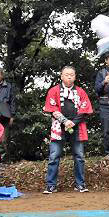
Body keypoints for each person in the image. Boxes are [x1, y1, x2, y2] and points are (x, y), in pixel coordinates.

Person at [43, 66, 93, 194]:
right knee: (54, 156)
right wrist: (65, 121)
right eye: (66, 74)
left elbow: (85, 109)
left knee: (79, 156)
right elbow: (52, 109)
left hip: (77, 125)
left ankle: (80, 184)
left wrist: (73, 123)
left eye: (72, 74)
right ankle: (51, 185)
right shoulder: (53, 90)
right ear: (61, 76)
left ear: (75, 77)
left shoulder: (81, 91)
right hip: (58, 126)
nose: (69, 76)